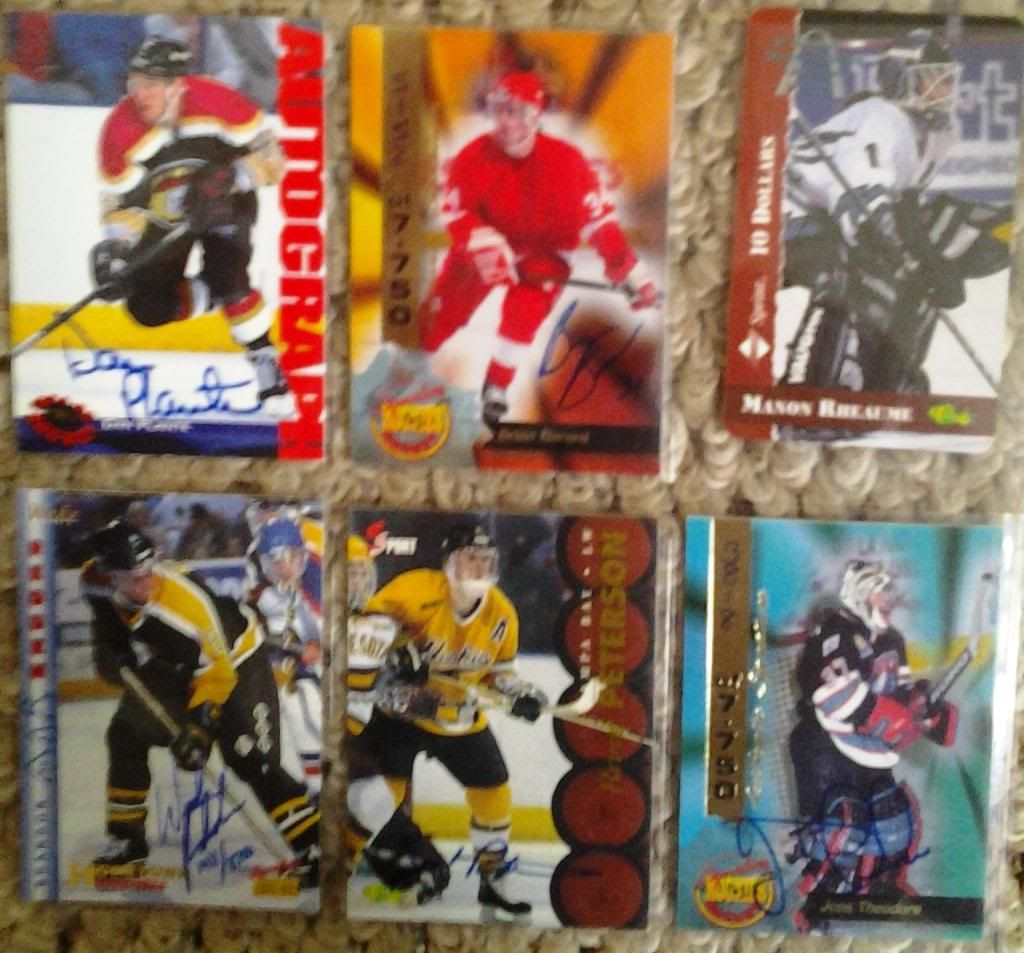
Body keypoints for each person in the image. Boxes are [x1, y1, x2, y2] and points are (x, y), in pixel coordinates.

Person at [81, 520, 320, 886]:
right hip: (177, 663)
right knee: (126, 731)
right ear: (110, 575)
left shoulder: (183, 605)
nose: (147, 582)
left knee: (250, 757)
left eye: (149, 571)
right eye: (135, 578)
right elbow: (108, 626)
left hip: (236, 663)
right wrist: (111, 653)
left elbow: (218, 672)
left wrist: (199, 729)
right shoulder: (93, 579)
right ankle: (126, 840)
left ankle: (315, 846)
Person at [419, 70, 659, 429]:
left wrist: (634, 278)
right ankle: (410, 371)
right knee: (442, 316)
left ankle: (496, 387)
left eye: (517, 111)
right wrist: (483, 242)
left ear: (536, 114)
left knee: (524, 315)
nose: (507, 121)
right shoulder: (472, 155)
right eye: (500, 110)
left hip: (543, 257)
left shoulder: (569, 162)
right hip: (480, 253)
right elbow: (456, 212)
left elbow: (602, 227)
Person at [780, 30, 1008, 394]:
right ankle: (807, 382)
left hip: (833, 221)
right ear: (901, 78)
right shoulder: (881, 119)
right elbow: (860, 212)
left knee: (944, 232)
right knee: (847, 272)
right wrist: (914, 261)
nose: (947, 87)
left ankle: (892, 374)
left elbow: (905, 205)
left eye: (949, 78)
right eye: (934, 77)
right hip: (787, 226)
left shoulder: (937, 131)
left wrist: (932, 261)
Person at [349, 524, 548, 916]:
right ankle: (348, 867)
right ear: (448, 563)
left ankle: (493, 882)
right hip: (400, 715)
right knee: (377, 799)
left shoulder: (502, 614)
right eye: (469, 559)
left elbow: (500, 675)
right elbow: (364, 632)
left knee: (494, 791)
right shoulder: (415, 590)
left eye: (486, 560)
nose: (479, 568)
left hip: (458, 719)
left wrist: (521, 694)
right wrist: (396, 650)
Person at [89, 36, 293, 415]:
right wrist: (116, 249)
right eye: (135, 82)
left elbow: (274, 158)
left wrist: (232, 178)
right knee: (147, 307)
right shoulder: (119, 130)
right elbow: (119, 205)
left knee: (230, 276)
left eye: (151, 84)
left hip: (226, 205)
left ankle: (264, 359)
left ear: (177, 85)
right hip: (165, 218)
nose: (139, 94)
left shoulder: (220, 102)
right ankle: (221, 293)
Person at [787, 559, 958, 931]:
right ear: (860, 594)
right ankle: (814, 906)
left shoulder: (892, 639)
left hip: (870, 748)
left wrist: (922, 710)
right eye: (881, 591)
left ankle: (880, 889)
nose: (889, 598)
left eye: (889, 590)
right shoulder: (836, 631)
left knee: (896, 818)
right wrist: (880, 711)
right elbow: (829, 692)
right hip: (826, 743)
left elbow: (900, 692)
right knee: (844, 825)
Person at [245, 512, 324, 796]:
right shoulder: (262, 591)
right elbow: (259, 628)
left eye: (291, 557)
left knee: (320, 717)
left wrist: (322, 647)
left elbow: (340, 631)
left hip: (330, 668)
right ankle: (317, 788)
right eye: (276, 561)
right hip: (295, 668)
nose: (285, 567)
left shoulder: (319, 580)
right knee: (295, 711)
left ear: (302, 555)